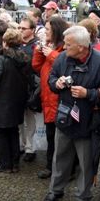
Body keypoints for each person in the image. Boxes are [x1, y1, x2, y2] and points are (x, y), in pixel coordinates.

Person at [43, 25, 100, 201]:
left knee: (85, 163)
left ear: (82, 47)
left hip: (88, 121)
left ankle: (83, 197)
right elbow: (51, 78)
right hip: (65, 116)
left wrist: (89, 93)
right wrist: (56, 83)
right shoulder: (63, 58)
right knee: (60, 157)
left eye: (68, 45)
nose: (64, 47)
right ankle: (55, 190)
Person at [0, 28, 30, 173]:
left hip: (2, 101)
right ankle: (15, 163)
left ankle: (4, 163)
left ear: (5, 42)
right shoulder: (24, 58)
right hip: (17, 101)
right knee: (13, 132)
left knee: (1, 133)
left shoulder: (1, 59)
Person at [32, 15, 69, 179]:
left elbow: (66, 66)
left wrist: (51, 54)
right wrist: (40, 52)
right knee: (50, 136)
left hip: (58, 101)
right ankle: (50, 166)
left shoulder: (64, 49)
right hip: (48, 100)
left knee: (60, 139)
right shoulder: (50, 48)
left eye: (47, 29)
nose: (44, 32)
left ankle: (61, 169)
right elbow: (37, 66)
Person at [17, 15, 40, 163]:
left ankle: (31, 148)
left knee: (30, 119)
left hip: (30, 87)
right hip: (17, 86)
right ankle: (21, 144)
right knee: (19, 119)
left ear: (32, 30)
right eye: (19, 28)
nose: (20, 31)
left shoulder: (36, 45)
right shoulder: (17, 43)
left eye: (23, 28)